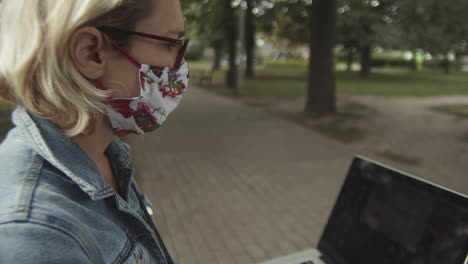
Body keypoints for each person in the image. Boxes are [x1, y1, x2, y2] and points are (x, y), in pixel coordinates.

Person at [0, 0, 189, 263]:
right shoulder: (34, 235)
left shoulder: (101, 153)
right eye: (169, 44)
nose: (178, 64)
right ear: (90, 53)